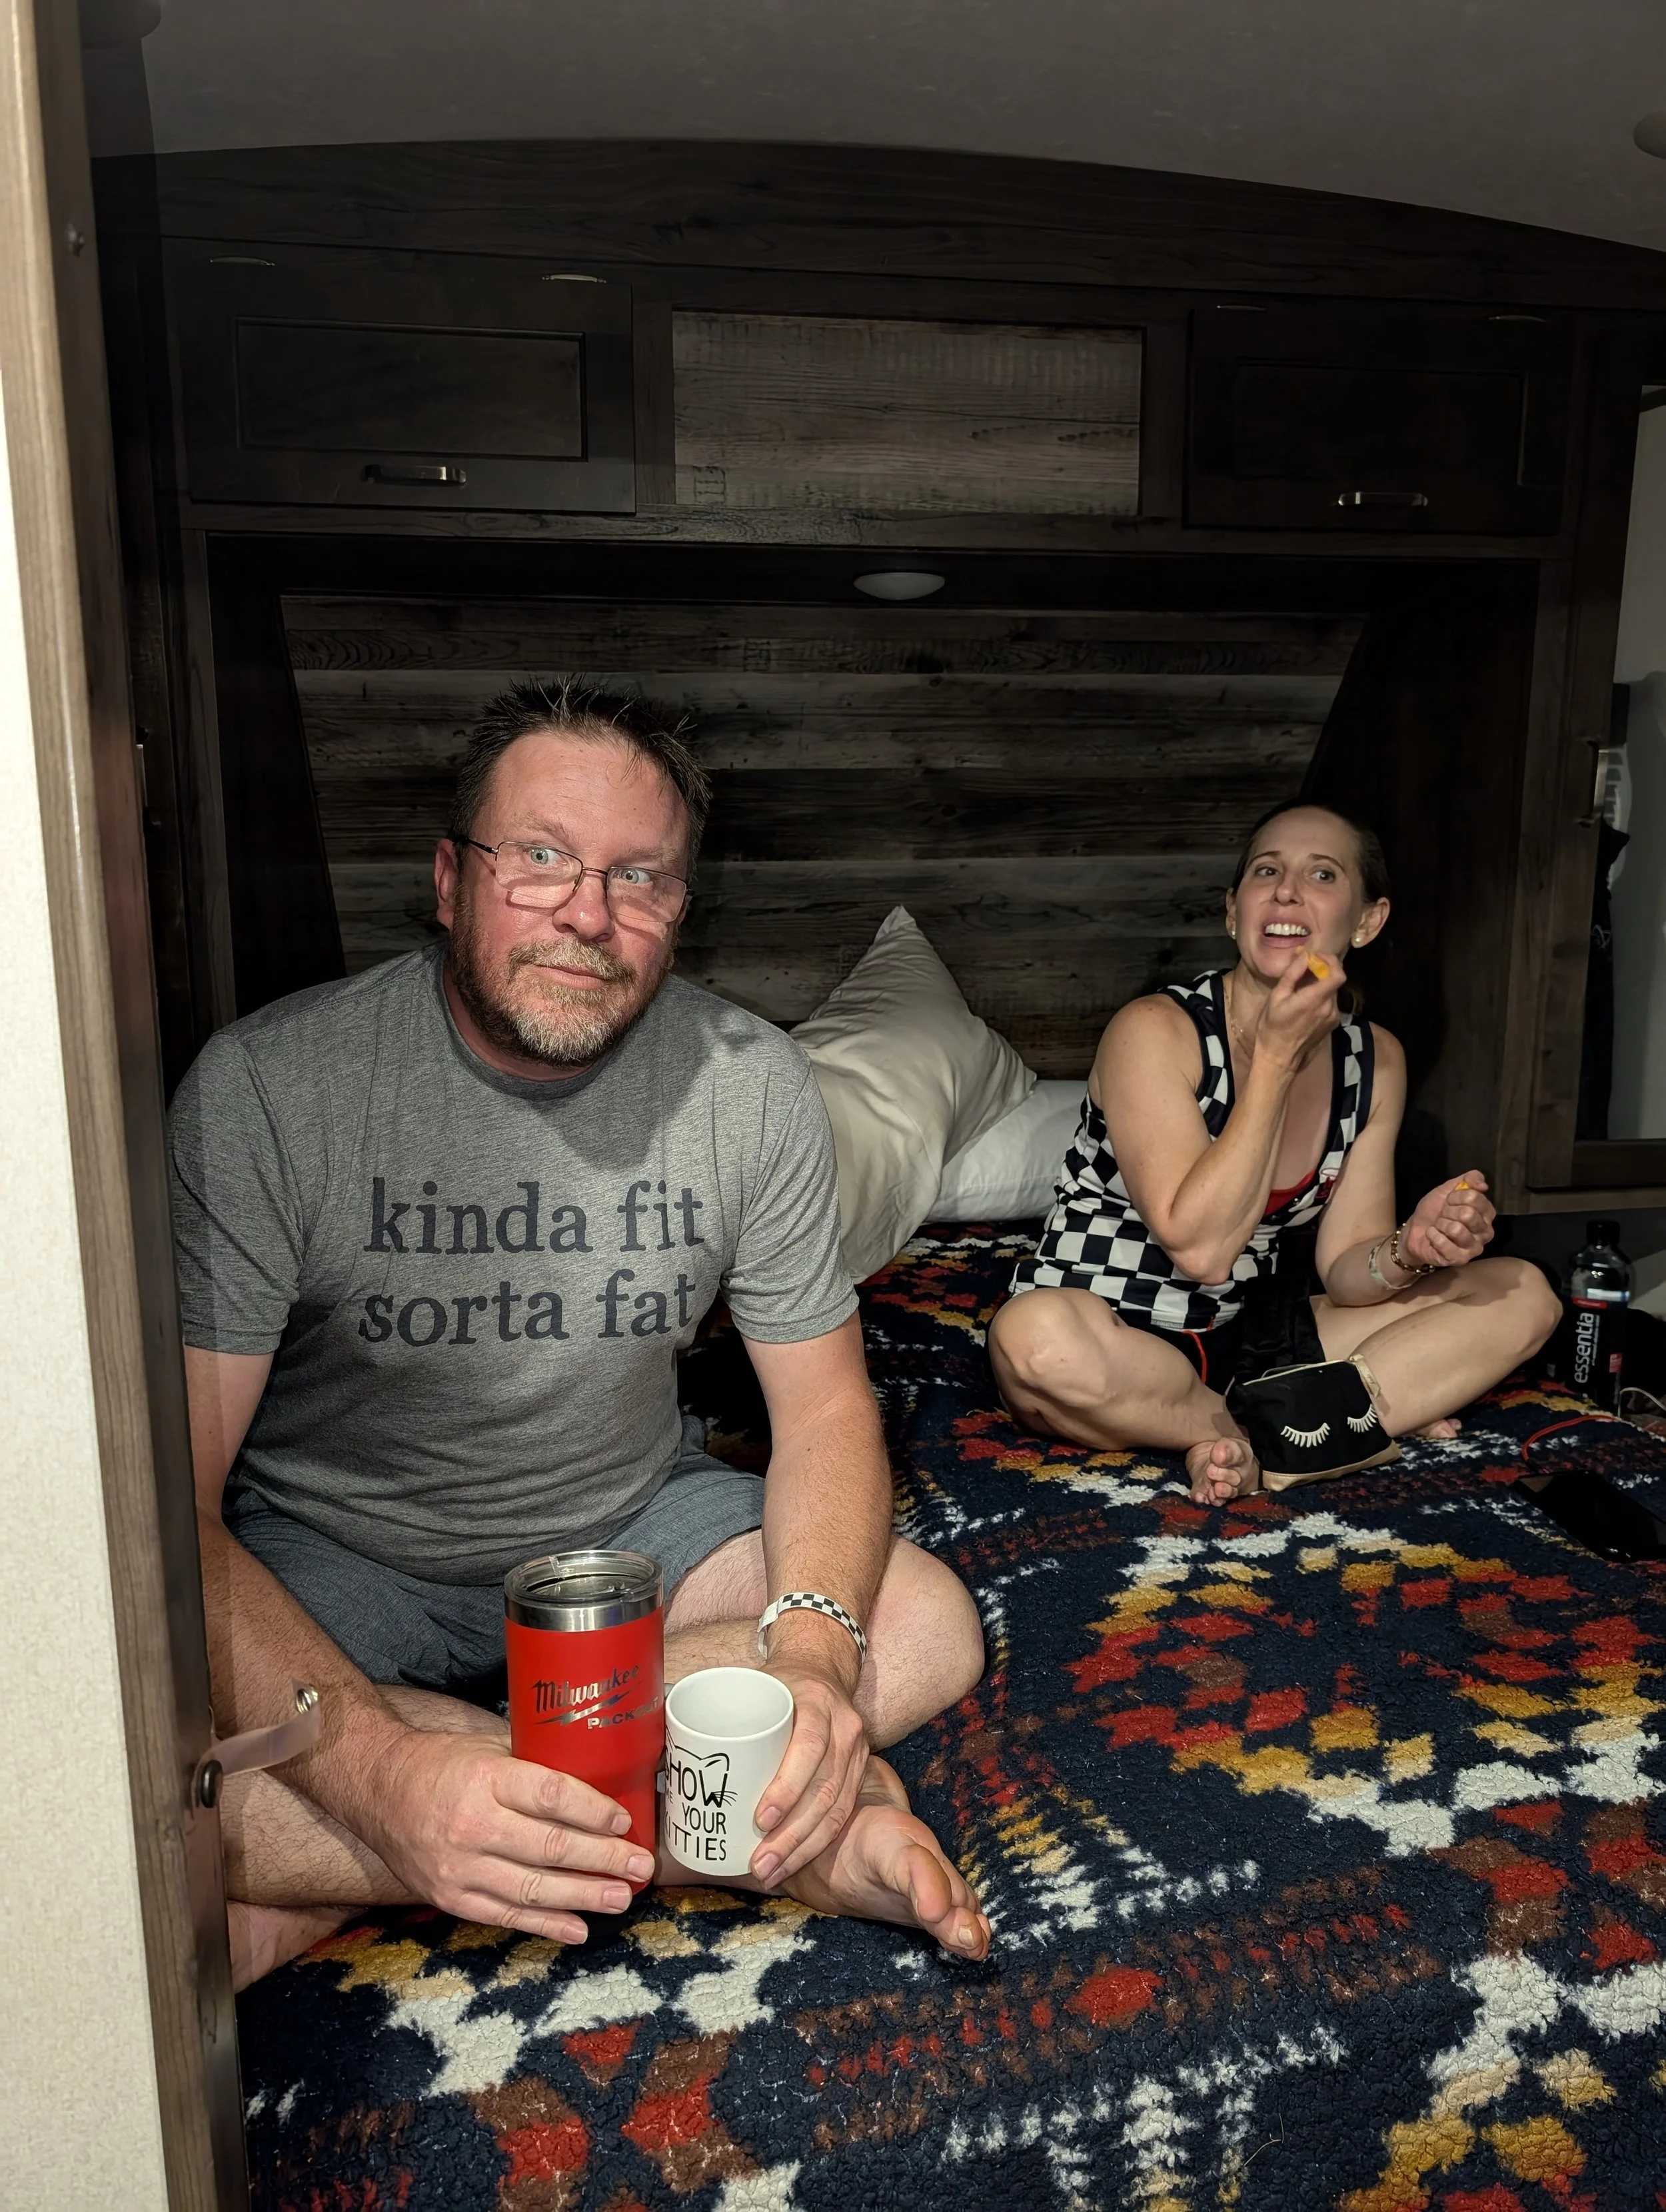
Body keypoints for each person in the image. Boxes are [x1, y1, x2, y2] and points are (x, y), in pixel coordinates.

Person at [172, 677, 989, 1988]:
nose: (585, 914)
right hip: (340, 1555)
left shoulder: (747, 1082)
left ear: (678, 907)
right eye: (540, 857)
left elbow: (827, 1415)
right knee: (137, 1777)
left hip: (624, 1526)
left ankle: (453, 1813)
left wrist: (817, 1668)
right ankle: (709, 1821)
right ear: (448, 879)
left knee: (925, 1624)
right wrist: (379, 1778)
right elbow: (172, 1511)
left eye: (638, 876)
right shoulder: (268, 1091)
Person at [989, 802, 1559, 1504]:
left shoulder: (1373, 1057)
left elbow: (1347, 1267)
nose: (1287, 890)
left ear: (1366, 920)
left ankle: (1265, 1432)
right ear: (1234, 913)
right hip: (1112, 1324)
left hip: (1251, 1339)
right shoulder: (1155, 1029)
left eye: (1321, 873)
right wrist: (1276, 1059)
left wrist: (1410, 1247)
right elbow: (1199, 1251)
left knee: (1522, 1293)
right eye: (1267, 871)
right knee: (1033, 1338)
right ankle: (1293, 1430)